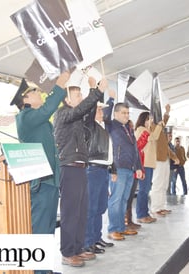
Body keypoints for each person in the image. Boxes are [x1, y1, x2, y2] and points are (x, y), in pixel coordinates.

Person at [10, 72, 70, 274]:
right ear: (25, 99)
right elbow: (48, 108)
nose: (39, 94)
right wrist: (60, 86)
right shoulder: (25, 117)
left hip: (49, 181)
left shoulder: (37, 119)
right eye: (35, 92)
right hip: (41, 183)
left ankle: (44, 269)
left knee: (48, 229)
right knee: (41, 231)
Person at [53, 77, 107, 267]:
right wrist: (97, 91)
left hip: (80, 167)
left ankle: (77, 248)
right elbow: (81, 110)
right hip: (68, 167)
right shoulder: (62, 114)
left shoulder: (75, 116)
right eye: (78, 95)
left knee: (81, 211)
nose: (81, 97)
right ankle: (67, 252)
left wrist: (94, 92)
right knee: (70, 212)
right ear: (68, 100)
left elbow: (87, 113)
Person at [83, 90, 117, 255]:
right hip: (93, 169)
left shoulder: (103, 127)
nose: (102, 112)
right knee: (91, 207)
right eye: (98, 110)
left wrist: (111, 99)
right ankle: (88, 241)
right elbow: (91, 110)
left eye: (102, 110)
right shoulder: (89, 125)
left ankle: (96, 238)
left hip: (103, 170)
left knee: (100, 207)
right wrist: (97, 92)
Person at [104, 103, 143, 241]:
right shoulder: (111, 125)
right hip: (117, 168)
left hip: (130, 169)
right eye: (123, 113)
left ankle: (121, 227)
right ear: (116, 113)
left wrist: (138, 167)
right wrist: (111, 99)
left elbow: (135, 150)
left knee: (124, 200)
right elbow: (105, 113)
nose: (126, 115)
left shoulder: (129, 128)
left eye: (128, 113)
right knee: (116, 199)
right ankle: (113, 229)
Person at [150, 105, 179, 217]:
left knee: (164, 185)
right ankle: (155, 208)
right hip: (157, 160)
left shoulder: (160, 130)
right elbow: (161, 123)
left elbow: (166, 147)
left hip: (164, 159)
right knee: (158, 184)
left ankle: (161, 206)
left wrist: (173, 157)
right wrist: (165, 114)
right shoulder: (153, 128)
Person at [134, 111, 162, 224]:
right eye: (148, 119)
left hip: (148, 163)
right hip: (144, 163)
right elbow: (154, 137)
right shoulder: (141, 129)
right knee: (143, 190)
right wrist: (159, 125)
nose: (150, 121)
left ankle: (144, 213)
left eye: (150, 119)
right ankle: (141, 214)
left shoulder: (147, 130)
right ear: (143, 120)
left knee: (145, 190)